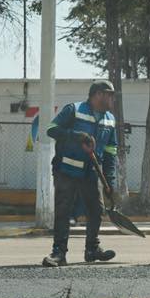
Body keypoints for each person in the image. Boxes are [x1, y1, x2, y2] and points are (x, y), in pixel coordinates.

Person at [43, 80, 119, 267]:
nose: (111, 99)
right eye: (109, 95)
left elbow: (110, 151)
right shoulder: (74, 110)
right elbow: (51, 130)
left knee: (96, 211)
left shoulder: (110, 119)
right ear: (98, 94)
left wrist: (109, 181)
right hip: (66, 171)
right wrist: (76, 136)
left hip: (91, 174)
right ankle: (59, 253)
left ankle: (92, 249)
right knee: (63, 211)